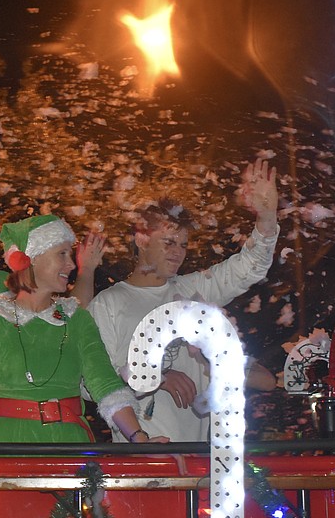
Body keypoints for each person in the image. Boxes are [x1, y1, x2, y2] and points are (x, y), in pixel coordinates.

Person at [88, 158, 279, 442]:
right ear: (141, 239)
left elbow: (248, 267)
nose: (178, 252)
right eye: (168, 242)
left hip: (203, 457)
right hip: (144, 457)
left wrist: (266, 219)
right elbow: (90, 384)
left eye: (183, 245)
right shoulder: (109, 304)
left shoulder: (194, 290)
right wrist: (157, 378)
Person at [0, 214, 164, 444]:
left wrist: (139, 438)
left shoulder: (76, 319)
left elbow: (106, 385)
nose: (71, 264)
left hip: (69, 444)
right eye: (62, 254)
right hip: (7, 445)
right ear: (33, 258)